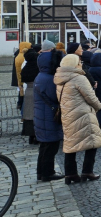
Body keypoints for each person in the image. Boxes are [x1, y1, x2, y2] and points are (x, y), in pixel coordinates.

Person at [55, 54, 101, 184]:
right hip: (83, 115)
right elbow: (91, 97)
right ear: (75, 64)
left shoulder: (60, 78)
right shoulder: (79, 78)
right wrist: (99, 106)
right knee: (92, 142)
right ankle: (87, 171)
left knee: (71, 144)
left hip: (68, 114)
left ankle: (70, 174)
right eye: (79, 62)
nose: (81, 64)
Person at [34, 41, 64, 182]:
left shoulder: (41, 75)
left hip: (43, 116)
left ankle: (41, 172)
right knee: (51, 146)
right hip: (48, 117)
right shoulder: (48, 78)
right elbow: (55, 97)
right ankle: (47, 173)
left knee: (45, 146)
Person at [20, 43, 40, 144]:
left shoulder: (26, 68)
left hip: (28, 91)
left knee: (28, 115)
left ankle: (30, 136)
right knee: (35, 114)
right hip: (35, 90)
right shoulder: (36, 67)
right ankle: (36, 136)